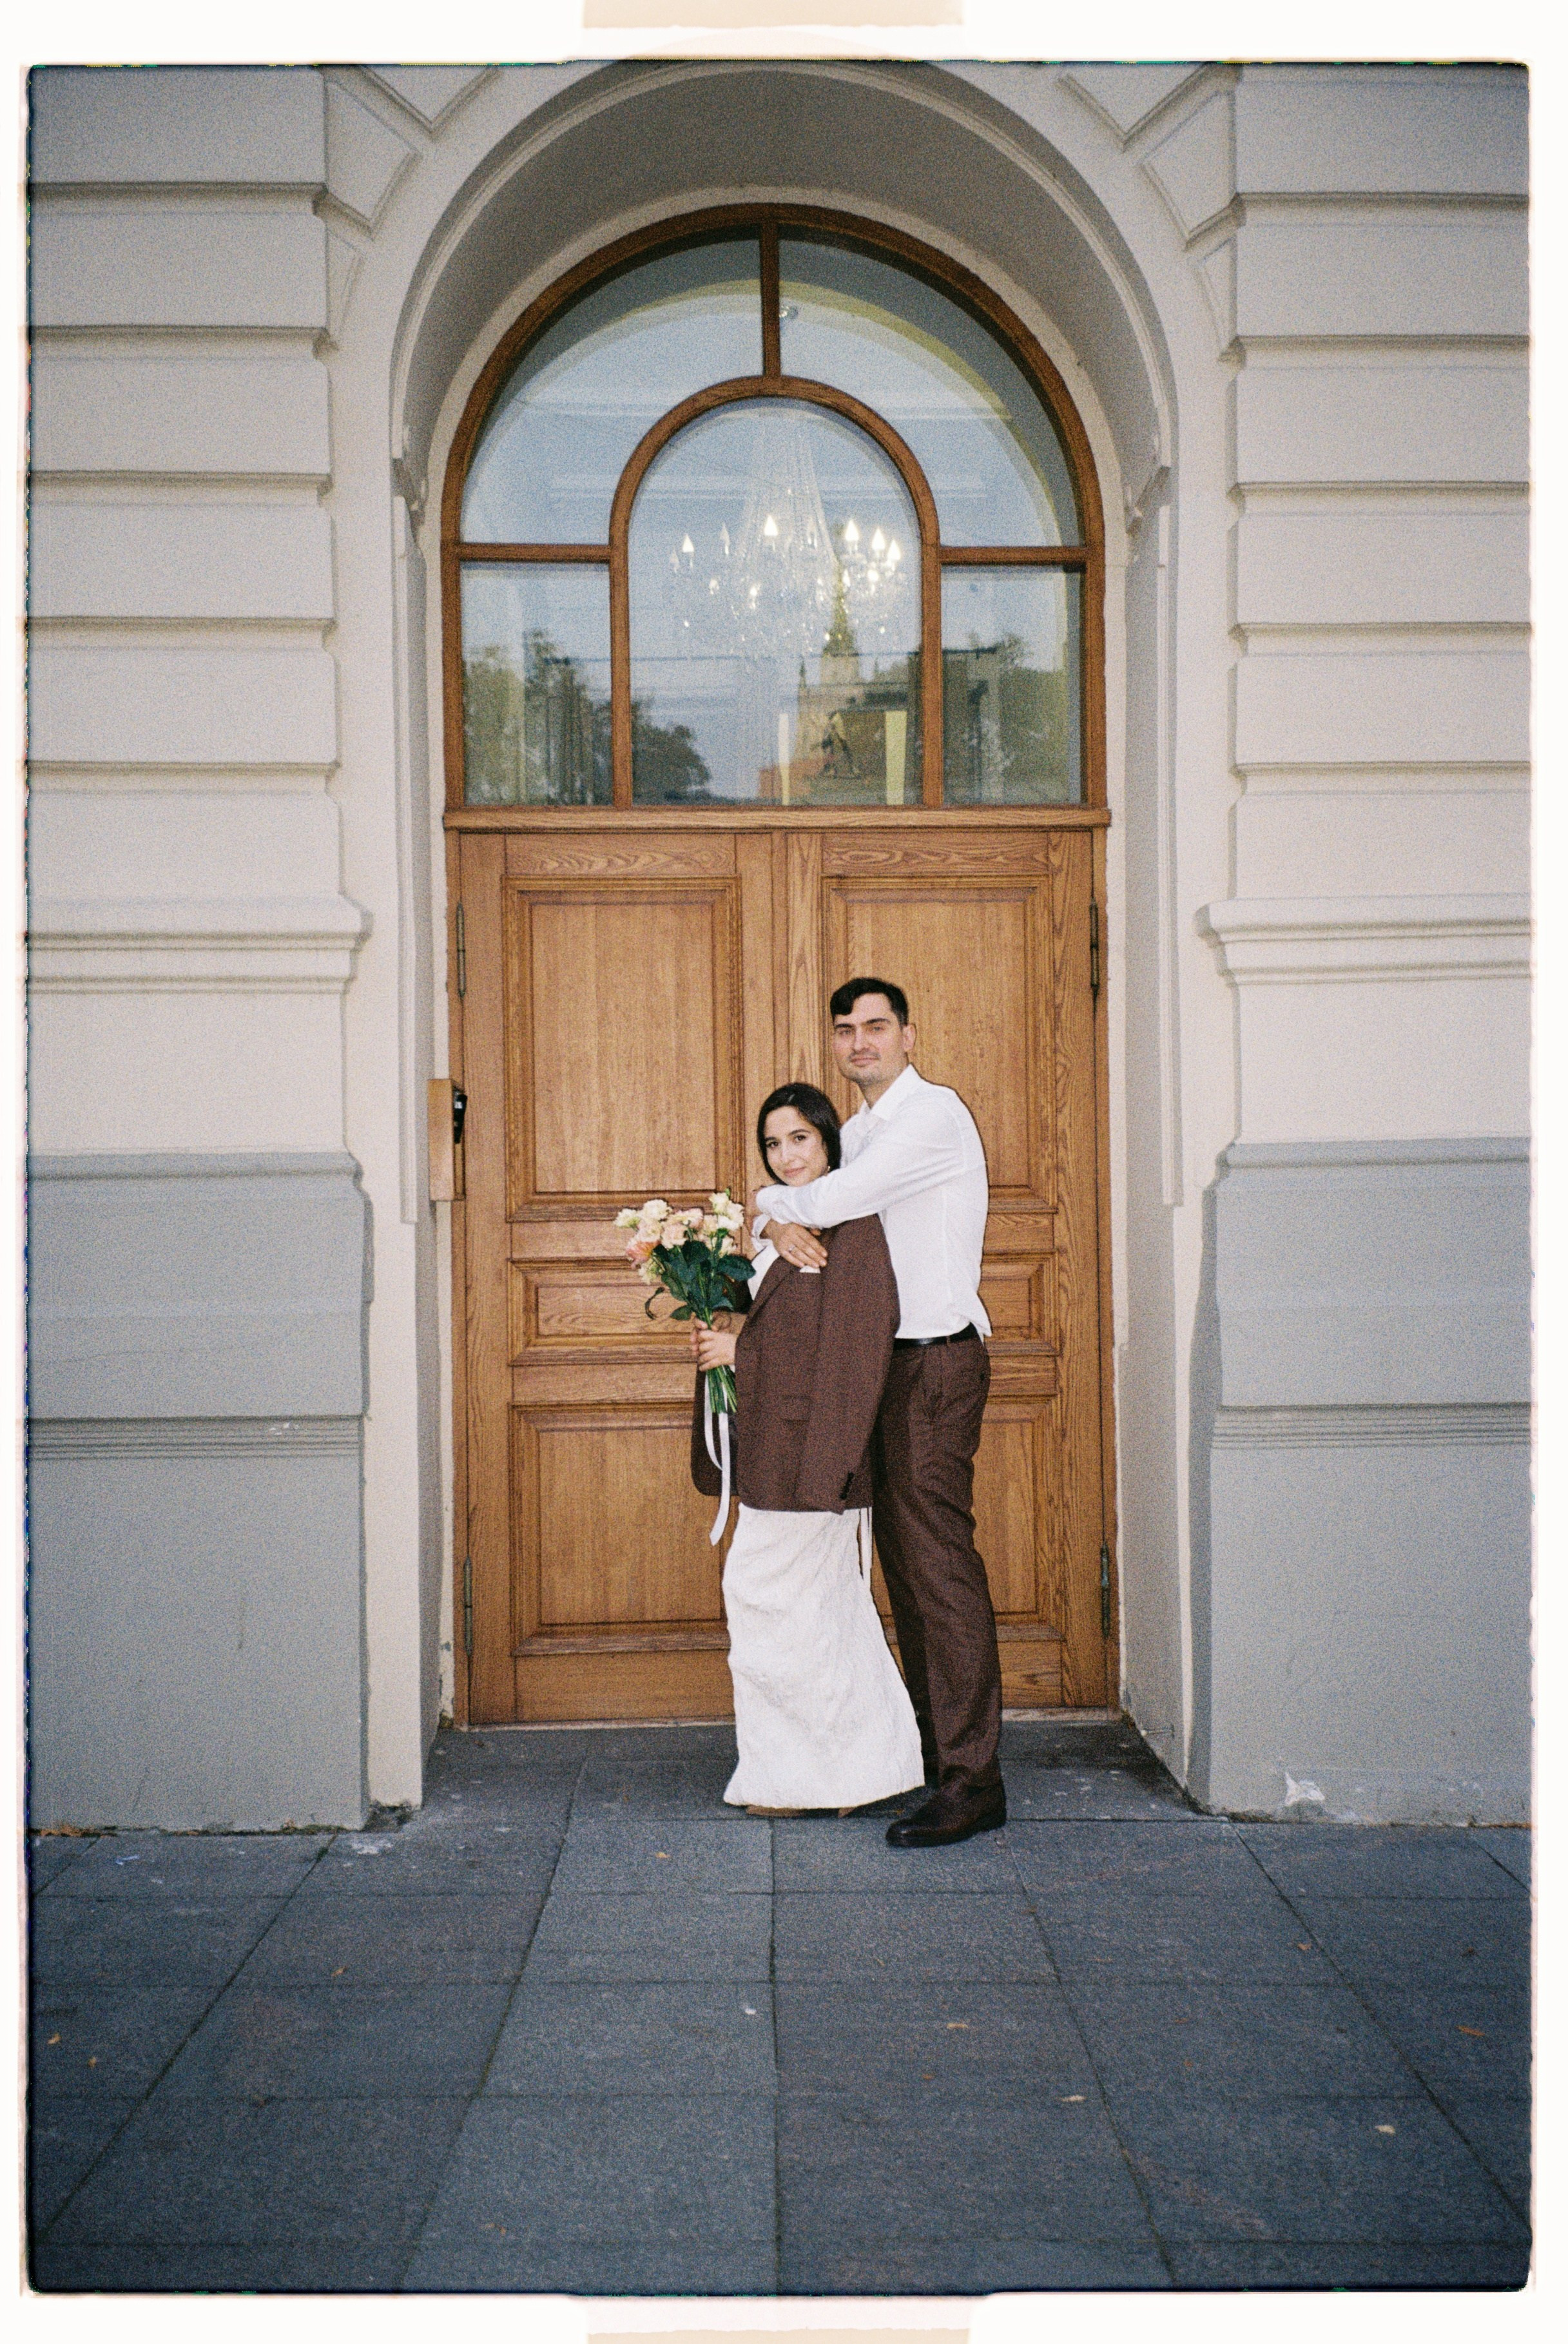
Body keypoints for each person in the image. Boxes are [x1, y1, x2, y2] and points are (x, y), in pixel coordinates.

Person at [751, 980, 1003, 1848]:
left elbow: (821, 1202)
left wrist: (774, 1210)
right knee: (908, 1572)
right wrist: (772, 1221)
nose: (860, 1042)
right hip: (877, 1370)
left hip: (934, 1365)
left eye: (876, 1027)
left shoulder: (931, 1117)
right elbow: (797, 1193)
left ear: (907, 1035)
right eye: (845, 1029)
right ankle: (939, 1760)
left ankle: (974, 1781)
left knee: (938, 1571)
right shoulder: (857, 1133)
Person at [690, 1083, 924, 1817]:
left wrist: (743, 1354)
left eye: (801, 1139)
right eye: (773, 1143)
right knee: (822, 1614)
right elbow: (777, 1319)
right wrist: (726, 1318)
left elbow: (855, 1352)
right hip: (774, 1451)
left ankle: (810, 1779)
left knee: (774, 1604)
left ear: (829, 1142)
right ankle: (857, 1773)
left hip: (813, 1457)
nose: (787, 1155)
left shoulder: (852, 1227)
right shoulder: (784, 1226)